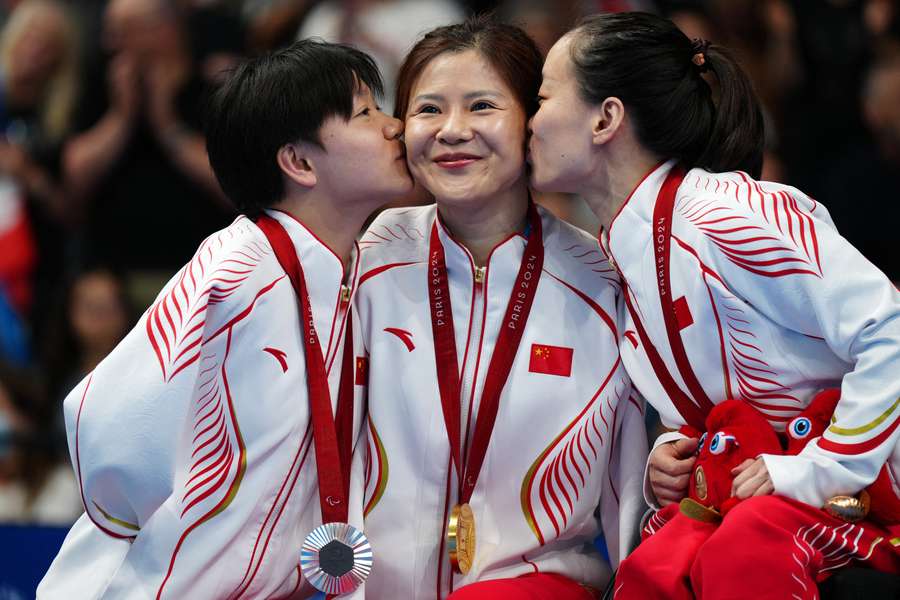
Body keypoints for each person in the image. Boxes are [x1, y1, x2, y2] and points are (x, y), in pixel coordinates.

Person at [528, 11, 900, 598]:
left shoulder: (726, 213)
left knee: (743, 545)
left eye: (544, 96)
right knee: (650, 570)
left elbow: (889, 329)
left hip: (861, 493)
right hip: (762, 487)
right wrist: (672, 451)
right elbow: (723, 396)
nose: (530, 119)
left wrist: (821, 466)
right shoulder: (616, 250)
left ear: (606, 119)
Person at [38, 39, 412, 598]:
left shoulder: (354, 274)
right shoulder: (237, 267)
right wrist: (163, 528)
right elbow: (103, 419)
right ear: (300, 162)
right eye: (366, 114)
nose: (395, 127)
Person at [354, 17, 647, 600]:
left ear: (531, 124)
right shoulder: (366, 262)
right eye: (428, 109)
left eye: (482, 105)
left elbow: (628, 487)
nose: (452, 131)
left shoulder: (603, 282)